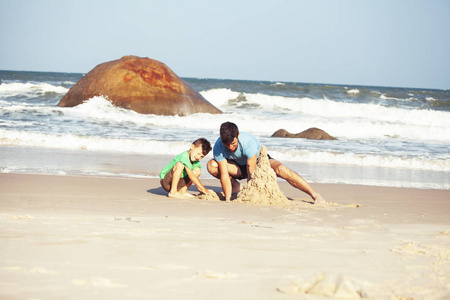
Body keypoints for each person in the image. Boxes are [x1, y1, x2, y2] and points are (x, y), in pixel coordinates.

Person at [207, 122, 325, 203]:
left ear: (237, 135)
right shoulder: (219, 146)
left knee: (281, 169)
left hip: (257, 162)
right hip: (236, 166)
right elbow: (224, 175)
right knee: (212, 165)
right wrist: (227, 199)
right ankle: (236, 186)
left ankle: (314, 194)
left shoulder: (248, 141)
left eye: (233, 144)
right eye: (226, 145)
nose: (230, 148)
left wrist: (250, 194)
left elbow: (251, 171)